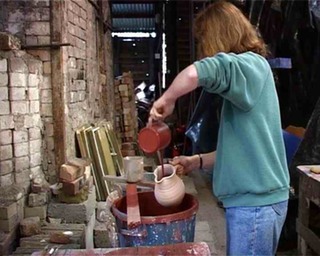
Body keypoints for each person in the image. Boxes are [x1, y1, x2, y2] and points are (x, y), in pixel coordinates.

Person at [148, 1, 290, 255]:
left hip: (254, 207)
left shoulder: (249, 66)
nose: (204, 50)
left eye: (205, 40)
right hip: (254, 204)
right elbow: (242, 151)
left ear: (217, 36)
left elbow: (196, 74)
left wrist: (166, 99)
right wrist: (196, 161)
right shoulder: (247, 80)